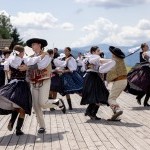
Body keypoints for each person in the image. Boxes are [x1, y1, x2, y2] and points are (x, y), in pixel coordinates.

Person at [0, 45, 47, 135]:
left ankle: (11, 122)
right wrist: (43, 54)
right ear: (21, 52)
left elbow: (7, 73)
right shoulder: (24, 60)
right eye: (23, 52)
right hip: (22, 85)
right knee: (23, 107)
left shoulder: (9, 60)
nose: (23, 54)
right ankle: (18, 129)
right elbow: (35, 59)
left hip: (12, 84)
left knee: (16, 105)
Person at [26, 38, 66, 134]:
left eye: (33, 44)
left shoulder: (47, 56)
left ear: (39, 45)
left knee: (43, 103)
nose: (32, 46)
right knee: (35, 106)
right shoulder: (31, 57)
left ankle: (58, 102)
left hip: (45, 81)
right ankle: (42, 126)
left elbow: (41, 66)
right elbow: (28, 68)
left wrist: (28, 66)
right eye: (31, 45)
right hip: (34, 83)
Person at [81, 46, 115, 120]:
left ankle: (90, 111)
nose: (99, 52)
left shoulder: (89, 58)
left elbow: (100, 65)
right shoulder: (93, 57)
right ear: (93, 52)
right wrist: (111, 60)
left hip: (92, 76)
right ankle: (91, 112)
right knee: (100, 95)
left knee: (99, 95)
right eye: (98, 50)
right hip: (92, 77)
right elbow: (100, 61)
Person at [106, 46, 127, 121]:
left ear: (114, 54)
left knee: (111, 99)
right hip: (124, 81)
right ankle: (115, 115)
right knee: (113, 98)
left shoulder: (114, 61)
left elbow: (106, 67)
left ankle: (117, 110)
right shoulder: (120, 60)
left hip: (119, 81)